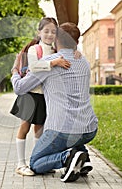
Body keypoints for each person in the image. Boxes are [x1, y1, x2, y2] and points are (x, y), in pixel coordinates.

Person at [11, 22, 98, 182]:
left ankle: (68, 158)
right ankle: (82, 158)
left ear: (56, 38)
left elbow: (19, 88)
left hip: (61, 130)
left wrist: (15, 71)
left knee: (35, 163)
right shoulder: (84, 62)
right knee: (75, 135)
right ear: (76, 42)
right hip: (89, 129)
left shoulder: (49, 63)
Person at [10, 17, 72, 176]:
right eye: (46, 31)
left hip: (44, 97)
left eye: (53, 31)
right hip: (30, 95)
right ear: (39, 32)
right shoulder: (35, 49)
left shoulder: (55, 52)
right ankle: (20, 164)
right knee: (24, 127)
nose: (50, 34)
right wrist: (54, 63)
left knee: (40, 131)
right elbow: (34, 67)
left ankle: (37, 162)